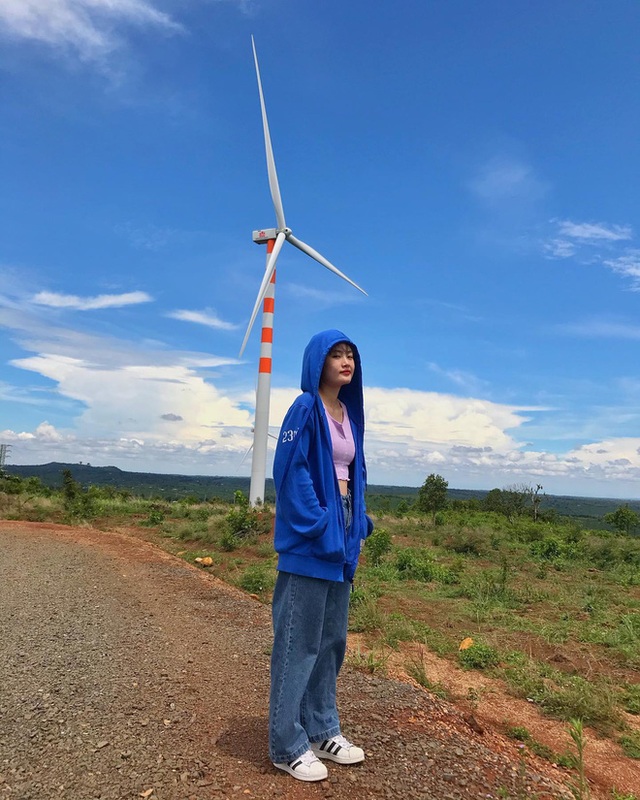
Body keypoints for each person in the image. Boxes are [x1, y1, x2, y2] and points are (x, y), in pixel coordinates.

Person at [269, 329, 374, 782]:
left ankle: (321, 728)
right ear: (317, 361)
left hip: (343, 527)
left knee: (331, 641)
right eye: (336, 354)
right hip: (313, 535)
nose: (346, 360)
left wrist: (358, 523)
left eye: (351, 354)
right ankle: (285, 743)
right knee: (299, 642)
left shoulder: (348, 413)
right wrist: (318, 524)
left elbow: (355, 472)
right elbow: (289, 472)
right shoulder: (305, 408)